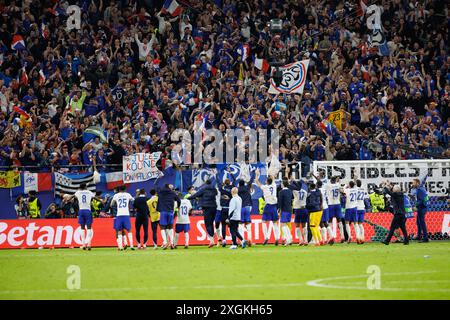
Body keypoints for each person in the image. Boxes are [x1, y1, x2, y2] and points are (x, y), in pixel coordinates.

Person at [188, 179, 217, 248]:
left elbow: (196, 195)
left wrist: (188, 198)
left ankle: (212, 240)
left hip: (207, 207)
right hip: (214, 207)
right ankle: (212, 240)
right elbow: (216, 194)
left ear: (205, 183)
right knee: (211, 223)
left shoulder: (203, 188)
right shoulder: (214, 188)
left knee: (208, 224)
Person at [229, 169, 254, 246]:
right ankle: (250, 240)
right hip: (248, 207)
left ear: (239, 185)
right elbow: (251, 180)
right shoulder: (247, 188)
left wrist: (231, 173)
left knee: (240, 224)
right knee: (248, 224)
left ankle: (241, 241)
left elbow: (234, 182)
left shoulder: (238, 190)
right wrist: (253, 173)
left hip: (241, 208)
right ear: (245, 183)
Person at [255, 169, 280, 245]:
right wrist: (270, 172)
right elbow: (272, 178)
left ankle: (266, 237)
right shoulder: (274, 185)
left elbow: (257, 182)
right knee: (275, 223)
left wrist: (257, 174)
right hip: (274, 206)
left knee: (264, 222)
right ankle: (276, 238)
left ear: (266, 182)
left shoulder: (265, 187)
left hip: (268, 206)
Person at [156, 184, 181, 249]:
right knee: (170, 227)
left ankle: (165, 242)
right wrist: (178, 206)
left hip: (163, 211)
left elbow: (155, 186)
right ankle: (172, 242)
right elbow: (179, 200)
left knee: (162, 227)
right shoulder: (172, 192)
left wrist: (158, 178)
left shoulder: (161, 192)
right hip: (170, 212)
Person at [111, 185, 135, 251]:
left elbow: (112, 204)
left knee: (119, 231)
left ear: (119, 189)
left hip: (119, 215)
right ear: (125, 189)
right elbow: (133, 200)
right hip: (126, 214)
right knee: (129, 230)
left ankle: (121, 246)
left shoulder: (116, 195)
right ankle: (132, 246)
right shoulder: (128, 195)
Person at [72, 183, 96, 250]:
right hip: (88, 211)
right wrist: (102, 201)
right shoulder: (89, 192)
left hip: (81, 211)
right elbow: (95, 198)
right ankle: (89, 244)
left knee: (82, 227)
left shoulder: (78, 192)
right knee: (89, 228)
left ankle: (83, 244)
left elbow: (72, 197)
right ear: (85, 187)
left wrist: (68, 198)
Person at [289, 177, 309, 246]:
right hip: (304, 209)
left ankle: (301, 240)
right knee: (304, 225)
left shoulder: (295, 191)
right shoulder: (305, 192)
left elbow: (290, 187)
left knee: (297, 226)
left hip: (298, 209)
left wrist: (292, 181)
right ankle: (306, 240)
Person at [411, 175, 429, 242]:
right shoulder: (420, 188)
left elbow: (421, 200)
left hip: (422, 207)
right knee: (418, 222)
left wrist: (416, 206)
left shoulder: (420, 189)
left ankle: (425, 238)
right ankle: (419, 236)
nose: (412, 184)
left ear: (417, 183)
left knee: (422, 222)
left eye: (413, 183)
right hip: (422, 207)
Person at [327, 176, 345, 243]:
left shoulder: (328, 185)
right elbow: (342, 191)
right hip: (337, 204)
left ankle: (331, 237)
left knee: (330, 221)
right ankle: (342, 236)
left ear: (331, 180)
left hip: (331, 204)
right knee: (339, 220)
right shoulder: (338, 185)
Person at [306, 182, 323, 246]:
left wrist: (306, 206)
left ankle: (316, 241)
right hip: (320, 210)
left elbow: (312, 203)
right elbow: (321, 196)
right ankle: (320, 240)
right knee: (316, 226)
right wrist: (320, 204)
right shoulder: (318, 191)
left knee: (312, 226)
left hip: (313, 211)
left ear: (310, 187)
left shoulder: (310, 194)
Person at [278, 179, 293, 246]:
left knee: (283, 224)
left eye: (281, 183)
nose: (281, 184)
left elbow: (280, 202)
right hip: (290, 209)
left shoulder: (281, 192)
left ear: (283, 184)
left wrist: (279, 210)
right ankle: (290, 238)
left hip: (284, 210)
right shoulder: (290, 191)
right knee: (286, 224)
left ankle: (288, 239)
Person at [218, 178, 233, 247]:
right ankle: (233, 240)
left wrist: (221, 183)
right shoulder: (231, 192)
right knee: (231, 226)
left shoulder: (222, 190)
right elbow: (234, 183)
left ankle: (224, 240)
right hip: (229, 209)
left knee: (223, 225)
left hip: (223, 209)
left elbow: (219, 185)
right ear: (229, 183)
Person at [355, 179, 367, 244]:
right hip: (362, 207)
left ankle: (358, 237)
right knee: (360, 224)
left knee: (356, 224)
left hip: (356, 208)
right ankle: (362, 237)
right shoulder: (363, 189)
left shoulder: (355, 189)